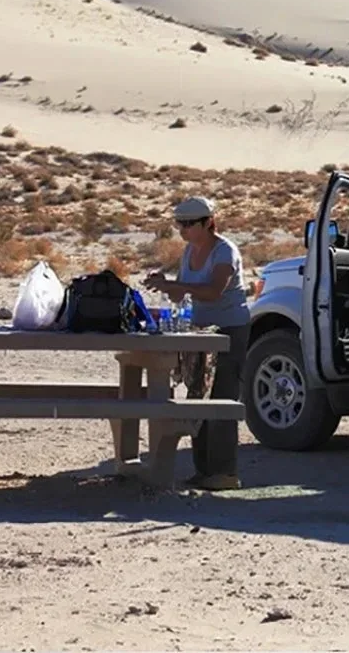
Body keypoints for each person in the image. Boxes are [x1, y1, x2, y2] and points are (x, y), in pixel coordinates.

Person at [144, 196, 249, 491]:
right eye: (180, 224)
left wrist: (177, 286)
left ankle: (225, 471)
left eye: (189, 224)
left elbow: (215, 291)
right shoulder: (190, 251)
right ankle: (204, 470)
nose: (183, 230)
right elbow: (182, 295)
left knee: (222, 399)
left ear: (208, 223)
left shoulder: (225, 252)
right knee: (197, 397)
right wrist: (164, 284)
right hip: (200, 333)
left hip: (229, 332)